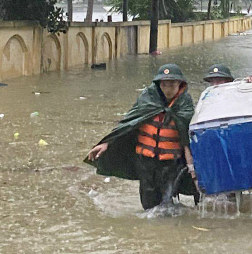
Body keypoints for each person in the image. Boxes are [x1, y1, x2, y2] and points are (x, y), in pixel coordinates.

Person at [85, 64, 199, 209]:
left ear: (180, 85)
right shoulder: (147, 101)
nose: (168, 89)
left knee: (167, 202)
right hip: (145, 162)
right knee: (148, 201)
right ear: (159, 85)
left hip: (171, 163)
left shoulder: (185, 106)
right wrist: (107, 143)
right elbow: (127, 125)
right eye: (164, 85)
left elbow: (188, 139)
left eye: (172, 85)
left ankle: (165, 227)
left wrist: (193, 169)